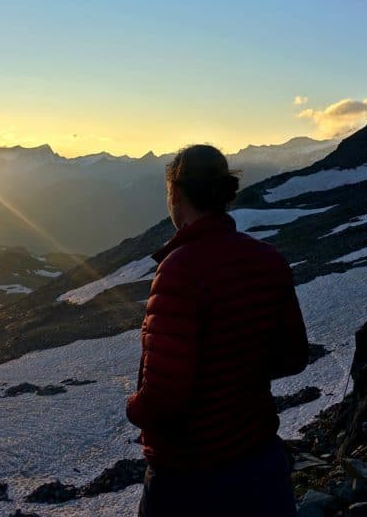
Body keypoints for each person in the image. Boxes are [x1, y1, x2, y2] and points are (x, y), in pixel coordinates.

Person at [125, 144, 311, 516]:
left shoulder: (179, 271)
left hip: (190, 477)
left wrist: (134, 407)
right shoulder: (268, 259)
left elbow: (164, 399)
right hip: (260, 459)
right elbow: (293, 356)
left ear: (175, 194)